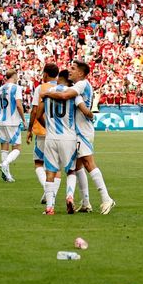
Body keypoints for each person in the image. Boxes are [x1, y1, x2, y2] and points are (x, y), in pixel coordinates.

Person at [43, 60, 114, 214]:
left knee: (89, 164)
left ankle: (106, 198)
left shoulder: (81, 85)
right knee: (78, 167)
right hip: (77, 132)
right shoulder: (79, 87)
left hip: (83, 131)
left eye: (73, 69)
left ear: (81, 73)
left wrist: (47, 93)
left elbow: (65, 95)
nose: (70, 70)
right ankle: (86, 202)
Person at [37, 70, 92, 215]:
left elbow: (38, 115)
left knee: (50, 172)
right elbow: (85, 111)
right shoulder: (72, 93)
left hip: (51, 137)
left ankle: (50, 208)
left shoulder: (48, 92)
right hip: (68, 137)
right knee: (71, 170)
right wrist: (91, 115)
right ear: (68, 80)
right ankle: (69, 196)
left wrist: (48, 127)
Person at [0, 69, 26, 182]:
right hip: (13, 121)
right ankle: (4, 163)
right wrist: (24, 120)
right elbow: (18, 105)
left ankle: (7, 175)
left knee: (4, 147)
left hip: (1, 122)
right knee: (17, 148)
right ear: (14, 76)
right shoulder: (17, 88)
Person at [27, 63, 60, 203]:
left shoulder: (41, 88)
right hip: (59, 131)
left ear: (45, 74)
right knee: (56, 166)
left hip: (42, 130)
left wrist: (29, 130)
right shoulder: (63, 88)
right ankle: (51, 193)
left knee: (38, 163)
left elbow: (35, 110)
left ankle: (48, 192)